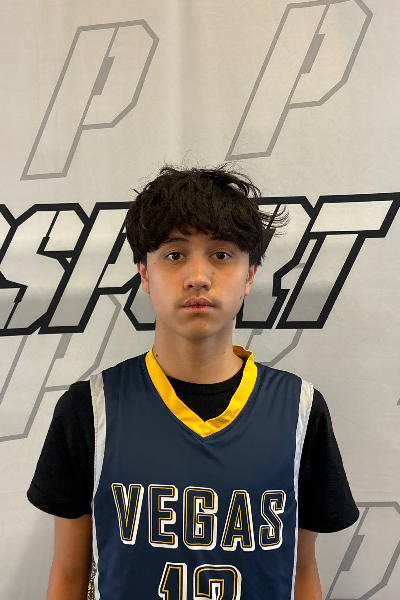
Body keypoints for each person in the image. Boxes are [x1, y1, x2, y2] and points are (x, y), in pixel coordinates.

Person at [27, 164, 359, 600]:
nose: (198, 276)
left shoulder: (300, 409)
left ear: (250, 274)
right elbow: (69, 574)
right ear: (144, 273)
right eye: (174, 254)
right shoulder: (89, 408)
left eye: (221, 254)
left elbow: (301, 569)